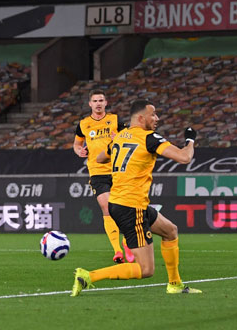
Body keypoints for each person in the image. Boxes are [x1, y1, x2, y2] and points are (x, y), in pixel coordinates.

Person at [71, 99, 201, 296]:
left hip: (124, 201)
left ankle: (175, 283)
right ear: (141, 118)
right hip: (131, 206)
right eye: (153, 114)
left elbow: (99, 158)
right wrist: (190, 140)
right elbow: (185, 157)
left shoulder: (120, 137)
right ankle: (88, 276)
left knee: (170, 231)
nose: (157, 118)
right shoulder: (149, 138)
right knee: (146, 269)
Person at [73, 89, 134, 264]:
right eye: (95, 101)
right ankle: (117, 250)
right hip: (97, 172)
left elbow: (130, 138)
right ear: (90, 104)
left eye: (101, 100)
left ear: (106, 103)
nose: (98, 103)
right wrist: (79, 150)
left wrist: (121, 137)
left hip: (118, 170)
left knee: (122, 209)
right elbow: (77, 144)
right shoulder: (84, 124)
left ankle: (127, 242)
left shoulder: (115, 120)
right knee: (107, 207)